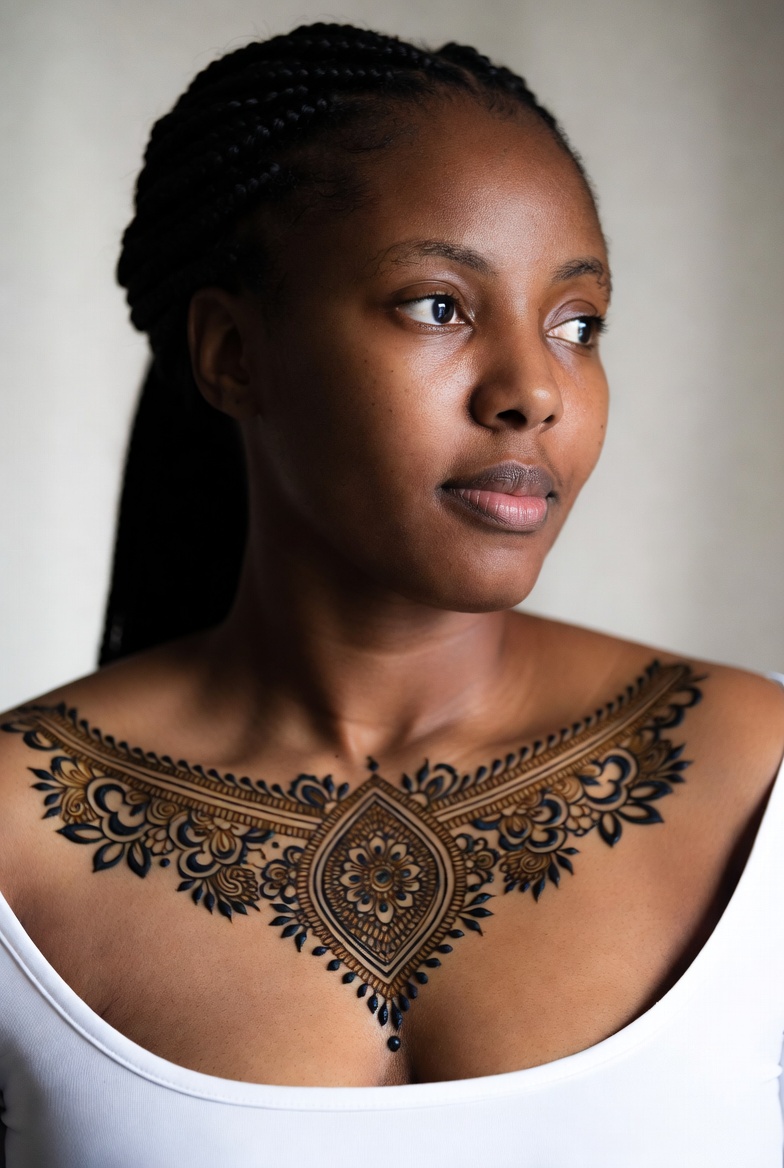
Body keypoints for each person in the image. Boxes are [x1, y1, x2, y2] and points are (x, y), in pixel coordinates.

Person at [0, 22, 782, 1168]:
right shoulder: (15, 839)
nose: (532, 391)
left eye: (577, 323)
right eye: (437, 305)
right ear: (231, 354)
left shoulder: (756, 780)